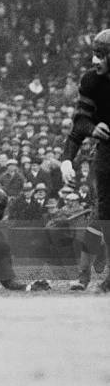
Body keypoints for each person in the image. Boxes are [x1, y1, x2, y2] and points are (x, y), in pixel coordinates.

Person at [60, 29, 110, 292]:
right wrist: (67, 159)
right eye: (95, 53)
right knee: (103, 214)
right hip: (107, 151)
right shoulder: (91, 81)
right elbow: (80, 121)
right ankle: (83, 275)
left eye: (102, 55)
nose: (94, 61)